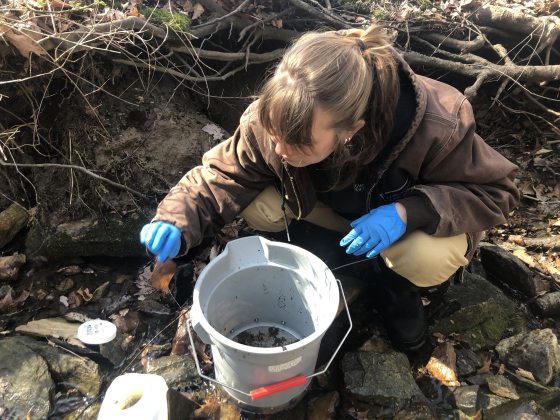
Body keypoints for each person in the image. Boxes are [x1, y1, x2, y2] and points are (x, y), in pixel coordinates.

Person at [139, 23, 520, 351]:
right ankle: (321, 253)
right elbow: (223, 173)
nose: (281, 151)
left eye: (300, 144)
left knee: (424, 257)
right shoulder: (275, 116)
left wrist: (408, 212)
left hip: (401, 230)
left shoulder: (438, 123)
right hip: (333, 214)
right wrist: (177, 218)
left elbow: (498, 192)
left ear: (352, 131)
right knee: (259, 203)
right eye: (275, 136)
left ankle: (391, 284)